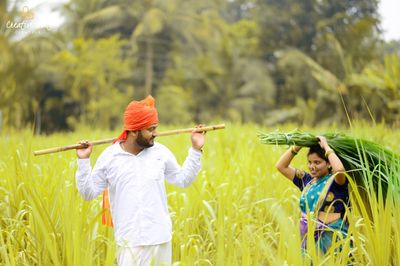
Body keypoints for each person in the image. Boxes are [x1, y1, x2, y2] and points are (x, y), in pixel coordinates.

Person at [75, 95, 206, 265]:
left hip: (160, 240)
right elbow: (87, 193)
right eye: (151, 129)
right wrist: (83, 161)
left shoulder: (160, 153)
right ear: (134, 130)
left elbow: (183, 179)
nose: (155, 133)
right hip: (129, 243)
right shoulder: (110, 157)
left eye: (155, 128)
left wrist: (196, 149)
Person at [275, 136, 349, 254]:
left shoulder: (335, 181)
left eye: (317, 162)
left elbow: (339, 170)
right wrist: (297, 146)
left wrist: (326, 147)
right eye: (309, 162)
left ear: (329, 164)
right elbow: (281, 166)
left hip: (331, 236)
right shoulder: (306, 180)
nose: (312, 167)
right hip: (308, 235)